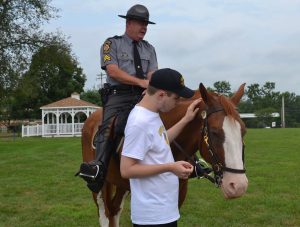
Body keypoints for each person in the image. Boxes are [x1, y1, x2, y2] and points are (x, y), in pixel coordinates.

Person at [76, 4, 158, 193]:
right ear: (129, 23)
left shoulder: (149, 49)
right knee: (109, 125)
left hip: (145, 95)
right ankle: (98, 167)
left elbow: (152, 73)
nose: (144, 27)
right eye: (141, 23)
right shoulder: (111, 44)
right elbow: (113, 71)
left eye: (146, 23)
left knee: (169, 115)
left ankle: (189, 160)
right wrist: (141, 82)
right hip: (119, 95)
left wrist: (150, 87)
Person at [120, 68, 202, 227]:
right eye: (177, 98)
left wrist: (185, 120)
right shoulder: (139, 122)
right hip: (152, 217)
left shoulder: (152, 114)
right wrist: (170, 167)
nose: (178, 103)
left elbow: (160, 140)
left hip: (163, 211)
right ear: (161, 95)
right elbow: (127, 170)